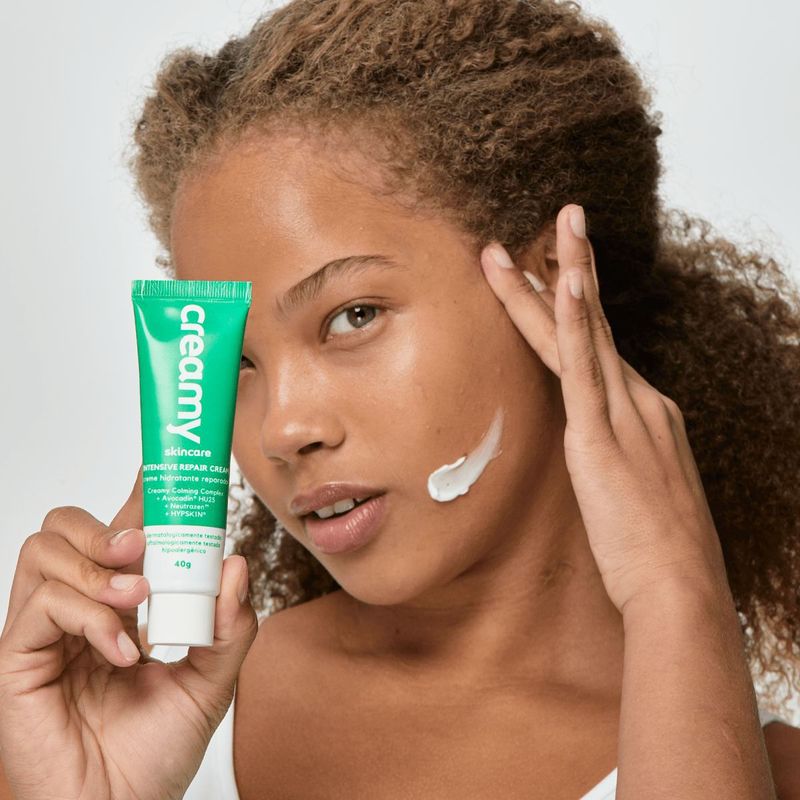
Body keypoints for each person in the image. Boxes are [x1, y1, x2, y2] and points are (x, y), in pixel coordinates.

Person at [1, 0, 799, 797]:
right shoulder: (167, 709)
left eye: (353, 316)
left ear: (551, 284)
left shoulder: (751, 771)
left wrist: (675, 590)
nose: (283, 429)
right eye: (236, 362)